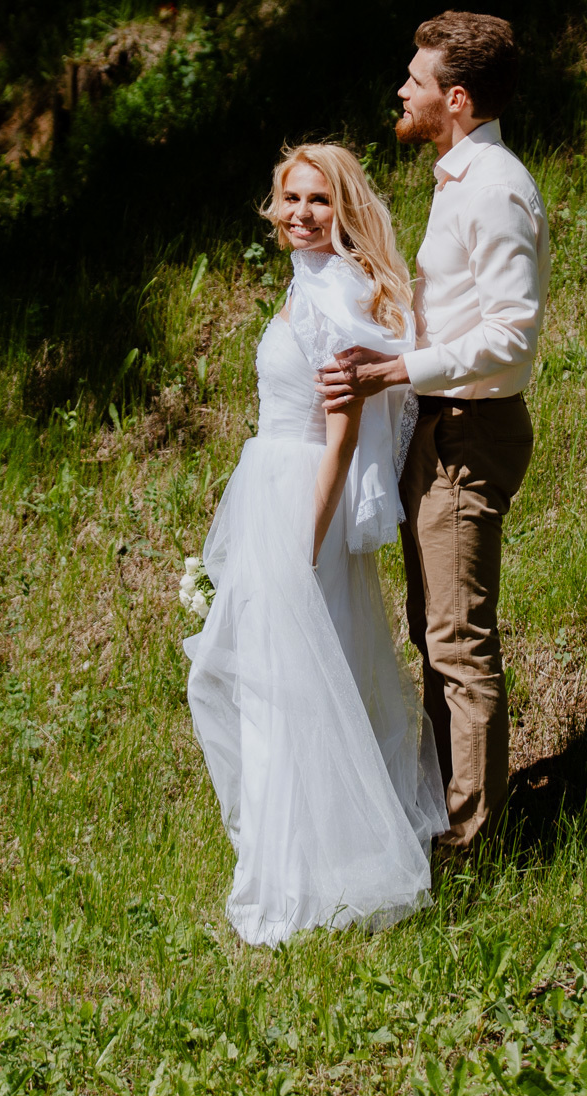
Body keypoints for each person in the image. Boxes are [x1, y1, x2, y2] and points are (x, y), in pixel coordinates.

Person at [184, 143, 448, 947]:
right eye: (290, 199)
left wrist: (303, 544)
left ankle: (313, 879)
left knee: (290, 687)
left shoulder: (336, 298)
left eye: (319, 201)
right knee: (267, 683)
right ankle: (288, 862)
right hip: (271, 487)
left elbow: (340, 436)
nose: (300, 214)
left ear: (345, 210)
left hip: (303, 501)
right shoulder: (305, 288)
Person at [318, 13, 550, 854]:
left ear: (454, 99)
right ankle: (446, 809)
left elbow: (510, 336)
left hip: (470, 431)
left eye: (415, 81)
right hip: (441, 426)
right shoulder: (460, 182)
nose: (401, 91)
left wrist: (393, 373)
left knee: (456, 641)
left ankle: (475, 842)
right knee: (433, 631)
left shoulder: (492, 189)